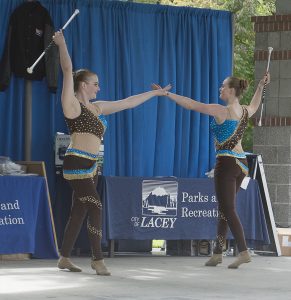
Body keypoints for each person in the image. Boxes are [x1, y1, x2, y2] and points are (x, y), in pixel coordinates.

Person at [52, 30, 171, 276]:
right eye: (95, 83)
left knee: (80, 210)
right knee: (95, 206)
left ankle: (64, 257)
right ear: (83, 85)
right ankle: (97, 259)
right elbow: (67, 70)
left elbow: (128, 102)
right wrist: (62, 45)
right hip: (75, 163)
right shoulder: (71, 105)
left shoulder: (98, 107)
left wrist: (155, 93)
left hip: (93, 165)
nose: (99, 87)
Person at [153, 72, 270, 269]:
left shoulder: (220, 110)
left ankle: (243, 251)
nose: (220, 88)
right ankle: (217, 253)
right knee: (225, 209)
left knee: (228, 209)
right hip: (242, 165)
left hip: (226, 163)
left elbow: (191, 104)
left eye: (223, 86)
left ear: (231, 91)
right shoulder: (243, 111)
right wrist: (260, 86)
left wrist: (167, 95)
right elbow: (255, 105)